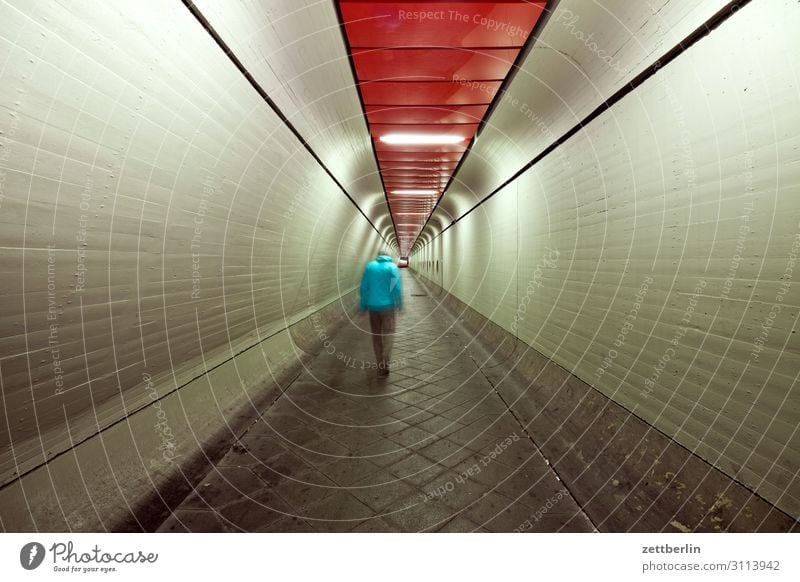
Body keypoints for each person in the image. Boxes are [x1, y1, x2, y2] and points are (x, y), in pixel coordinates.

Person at [359, 250, 403, 376]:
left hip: (373, 308)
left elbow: (364, 287)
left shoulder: (370, 266)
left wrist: (363, 305)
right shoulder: (392, 267)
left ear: (378, 256)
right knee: (388, 334)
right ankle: (385, 359)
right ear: (388, 257)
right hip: (388, 307)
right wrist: (399, 303)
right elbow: (396, 288)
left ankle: (379, 363)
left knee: (376, 336)